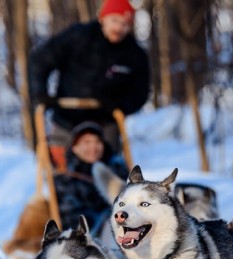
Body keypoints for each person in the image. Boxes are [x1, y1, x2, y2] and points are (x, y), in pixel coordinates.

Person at [28, 0, 150, 154]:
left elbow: (140, 93)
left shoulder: (135, 54)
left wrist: (121, 105)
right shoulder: (78, 37)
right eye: (115, 21)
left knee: (108, 171)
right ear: (102, 18)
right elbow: (40, 59)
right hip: (67, 118)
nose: (119, 28)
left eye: (125, 24)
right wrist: (40, 93)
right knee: (60, 170)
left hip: (106, 123)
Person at [54, 121, 129, 234]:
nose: (93, 147)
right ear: (75, 148)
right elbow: (71, 218)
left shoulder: (118, 170)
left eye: (97, 141)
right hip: (91, 234)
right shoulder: (66, 180)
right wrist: (105, 217)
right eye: (87, 142)